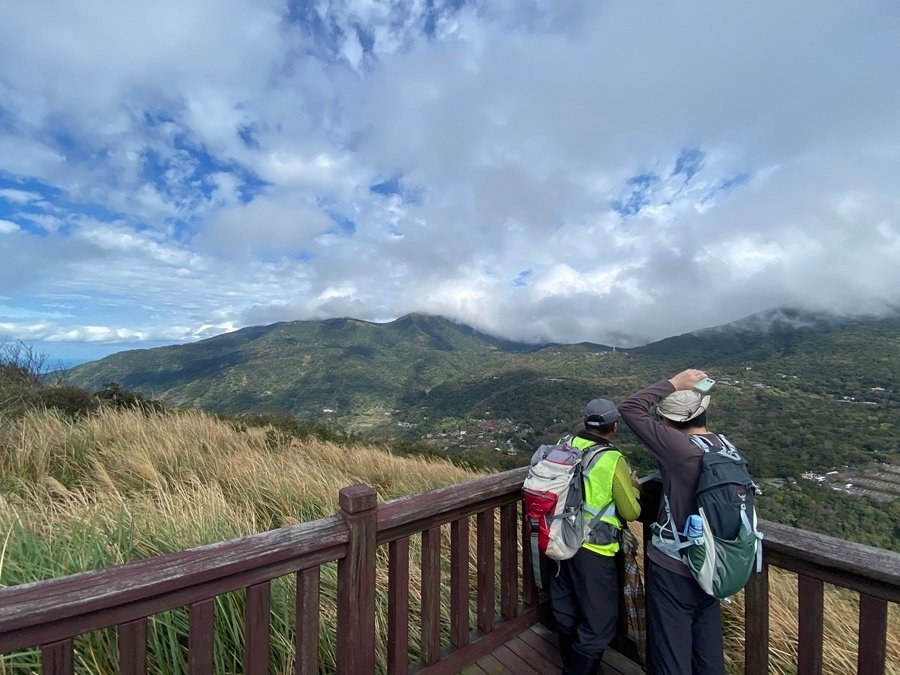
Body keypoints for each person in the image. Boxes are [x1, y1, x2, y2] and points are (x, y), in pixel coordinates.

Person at [618, 369, 727, 675]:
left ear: (669, 423)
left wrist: (674, 383)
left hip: (675, 567)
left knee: (671, 653)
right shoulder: (724, 447)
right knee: (707, 653)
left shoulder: (679, 450)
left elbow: (629, 408)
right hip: (713, 563)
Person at [551, 398, 641, 675]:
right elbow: (631, 511)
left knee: (565, 607)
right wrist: (634, 486)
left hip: (559, 538)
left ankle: (568, 660)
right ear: (614, 426)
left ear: (585, 420)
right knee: (599, 623)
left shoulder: (565, 444)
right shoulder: (612, 460)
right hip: (595, 548)